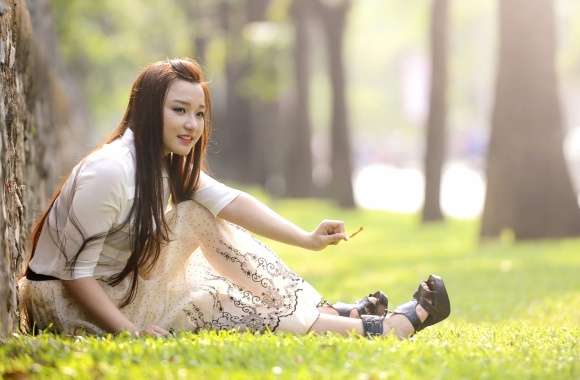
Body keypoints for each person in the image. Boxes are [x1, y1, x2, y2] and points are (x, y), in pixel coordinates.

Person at [18, 58, 450, 338]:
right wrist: (130, 332)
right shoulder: (111, 171)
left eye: (200, 113)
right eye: (179, 110)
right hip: (64, 304)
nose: (192, 124)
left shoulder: (163, 163)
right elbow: (75, 276)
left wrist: (307, 238)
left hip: (118, 285)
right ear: (149, 110)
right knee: (213, 297)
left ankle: (336, 313)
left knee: (196, 218)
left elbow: (232, 203)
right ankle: (373, 330)